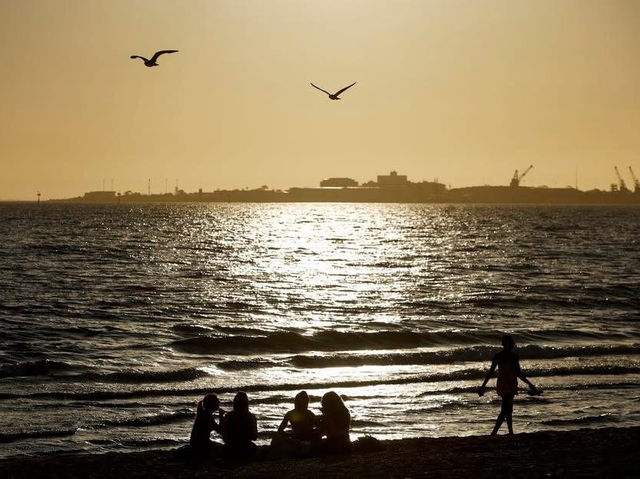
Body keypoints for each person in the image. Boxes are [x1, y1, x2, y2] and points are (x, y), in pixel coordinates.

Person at [478, 334, 541, 435]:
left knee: (508, 408)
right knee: (506, 408)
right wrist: (483, 386)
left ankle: (509, 432)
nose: (510, 345)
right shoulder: (499, 356)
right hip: (504, 383)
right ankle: (495, 432)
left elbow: (518, 373)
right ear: (504, 344)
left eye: (510, 343)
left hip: (511, 383)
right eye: (508, 343)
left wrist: (530, 384)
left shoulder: (513, 356)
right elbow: (491, 372)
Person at [271, 391, 317, 457]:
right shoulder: (292, 414)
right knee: (277, 436)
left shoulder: (309, 414)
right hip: (296, 439)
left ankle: (297, 449)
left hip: (306, 439)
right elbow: (280, 431)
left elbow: (319, 428)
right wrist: (290, 435)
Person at [221, 391, 258, 460]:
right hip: (246, 448)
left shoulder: (229, 416)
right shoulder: (251, 417)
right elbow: (254, 437)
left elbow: (224, 436)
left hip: (230, 449)